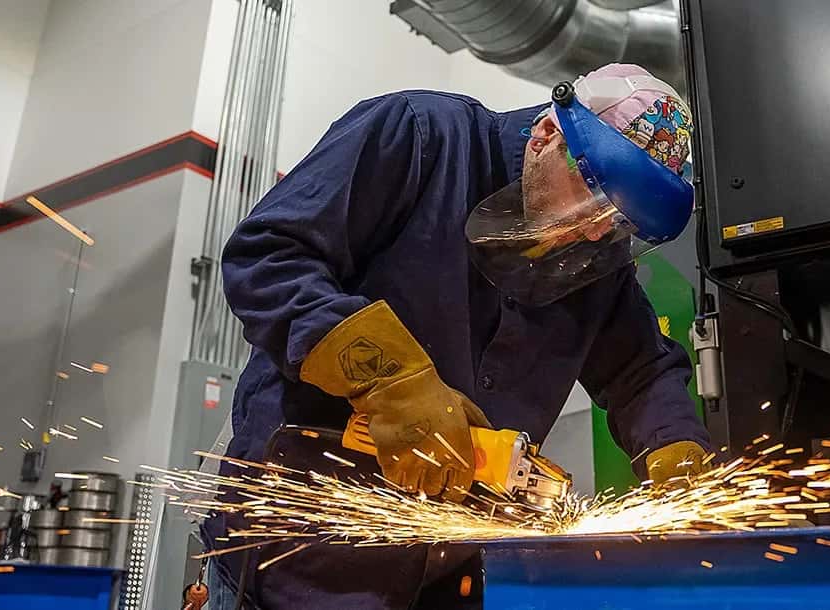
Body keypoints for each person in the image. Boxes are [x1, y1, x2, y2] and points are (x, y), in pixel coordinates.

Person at [202, 63, 711, 609]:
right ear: (547, 136)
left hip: (449, 574)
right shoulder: (419, 136)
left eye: (619, 225)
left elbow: (642, 372)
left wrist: (677, 455)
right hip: (298, 557)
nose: (594, 231)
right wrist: (390, 382)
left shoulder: (594, 255)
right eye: (595, 202)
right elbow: (269, 257)